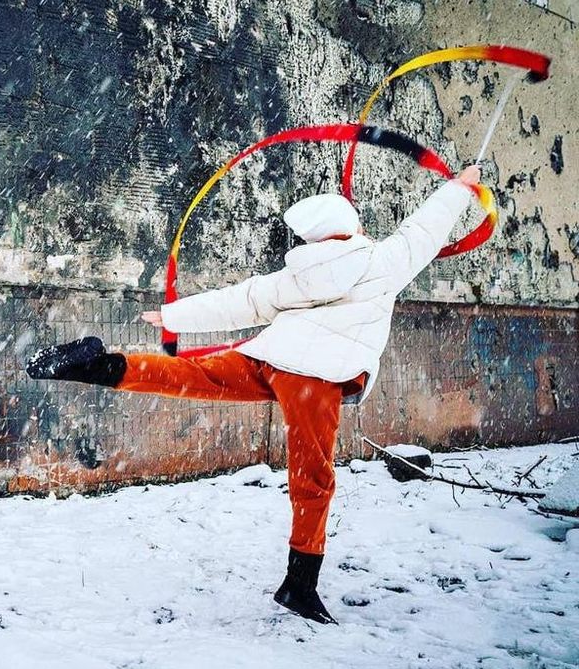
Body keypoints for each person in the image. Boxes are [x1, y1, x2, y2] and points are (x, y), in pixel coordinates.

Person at [27, 165, 482, 624]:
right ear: (351, 228)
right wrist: (461, 186)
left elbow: (239, 300)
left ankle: (97, 365)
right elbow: (426, 225)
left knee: (188, 376)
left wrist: (171, 316)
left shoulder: (296, 276)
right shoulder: (385, 261)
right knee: (314, 482)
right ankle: (299, 586)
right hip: (314, 380)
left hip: (268, 358)